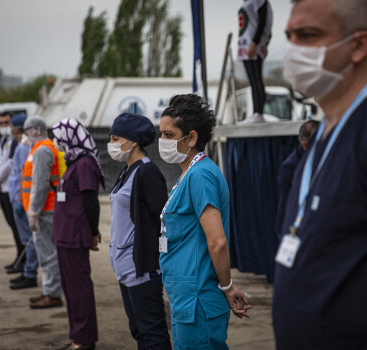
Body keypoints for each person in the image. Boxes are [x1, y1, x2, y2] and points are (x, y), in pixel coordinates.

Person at [273, 0, 367, 348]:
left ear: (359, 45)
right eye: (290, 36)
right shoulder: (326, 131)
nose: (294, 50)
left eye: (309, 35)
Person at [158, 94, 251, 349]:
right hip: (186, 300)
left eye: (168, 134)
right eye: (161, 134)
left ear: (192, 138)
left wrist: (228, 287)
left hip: (198, 301)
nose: (162, 141)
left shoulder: (200, 176)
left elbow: (218, 242)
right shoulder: (189, 174)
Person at [108, 113, 171, 350]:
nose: (111, 143)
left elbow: (163, 219)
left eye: (116, 138)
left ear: (133, 141)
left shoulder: (147, 172)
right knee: (138, 330)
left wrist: (158, 256)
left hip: (142, 268)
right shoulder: (127, 170)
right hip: (124, 266)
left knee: (152, 333)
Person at [51, 118, 104, 350]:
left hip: (75, 235)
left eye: (59, 137)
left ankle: (85, 339)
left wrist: (94, 232)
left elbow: (91, 202)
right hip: (64, 235)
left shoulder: (84, 164)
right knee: (70, 289)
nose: (57, 142)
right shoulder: (73, 162)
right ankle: (76, 334)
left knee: (79, 288)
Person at [22, 116, 63, 309]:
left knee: (48, 254)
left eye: (26, 131)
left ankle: (53, 294)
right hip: (45, 210)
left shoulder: (42, 150)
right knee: (46, 252)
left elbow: (40, 185)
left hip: (46, 210)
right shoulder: (40, 149)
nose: (24, 136)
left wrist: (33, 213)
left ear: (36, 130)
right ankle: (49, 290)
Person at [7, 114, 39, 290]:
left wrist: (21, 198)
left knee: (29, 239)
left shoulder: (25, 147)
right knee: (27, 238)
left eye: (11, 125)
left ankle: (29, 273)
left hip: (23, 199)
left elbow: (26, 174)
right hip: (18, 197)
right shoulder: (22, 145)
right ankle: (27, 271)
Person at [0, 111, 24, 273]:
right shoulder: (2, 142)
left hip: (10, 189)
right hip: (2, 187)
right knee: (12, 225)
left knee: (18, 226)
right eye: (1, 123)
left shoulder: (16, 143)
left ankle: (22, 259)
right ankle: (19, 256)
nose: (4, 126)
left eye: (6, 123)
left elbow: (9, 165)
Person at [275, 119, 319, 238]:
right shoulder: (291, 167)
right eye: (318, 142)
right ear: (305, 145)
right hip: (292, 229)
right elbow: (290, 206)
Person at [237, 0, 273, 123]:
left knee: (255, 79)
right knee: (253, 80)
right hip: (245, 44)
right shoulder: (249, 2)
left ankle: (258, 112)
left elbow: (264, 22)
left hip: (252, 44)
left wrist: (255, 42)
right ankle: (256, 113)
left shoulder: (259, 2)